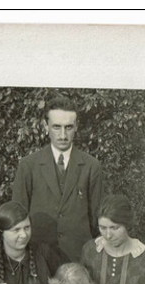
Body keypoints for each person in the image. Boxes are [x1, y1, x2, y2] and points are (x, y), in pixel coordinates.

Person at [12, 95, 103, 263]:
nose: (62, 135)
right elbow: (16, 219)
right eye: (56, 127)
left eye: (68, 127)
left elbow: (98, 220)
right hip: (39, 260)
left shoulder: (91, 166)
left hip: (79, 261)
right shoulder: (28, 166)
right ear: (46, 127)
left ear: (76, 126)